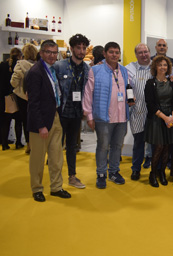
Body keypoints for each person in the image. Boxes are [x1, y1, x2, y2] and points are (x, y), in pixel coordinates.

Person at [25, 40, 71, 202]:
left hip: (55, 117)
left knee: (56, 156)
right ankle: (37, 189)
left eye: (54, 52)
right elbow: (33, 102)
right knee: (37, 158)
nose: (52, 56)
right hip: (41, 123)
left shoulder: (52, 70)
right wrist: (40, 125)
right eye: (48, 52)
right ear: (41, 53)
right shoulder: (36, 72)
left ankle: (56, 187)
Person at [83, 42, 130, 189]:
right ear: (104, 53)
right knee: (103, 146)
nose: (114, 55)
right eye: (111, 52)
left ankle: (114, 172)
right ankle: (101, 174)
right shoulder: (95, 70)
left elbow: (128, 89)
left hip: (121, 116)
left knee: (117, 146)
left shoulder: (123, 70)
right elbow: (88, 94)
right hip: (104, 117)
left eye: (117, 52)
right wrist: (89, 116)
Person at [53, 33, 91, 189]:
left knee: (72, 147)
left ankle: (72, 176)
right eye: (78, 48)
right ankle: (55, 179)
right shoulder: (59, 66)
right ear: (71, 48)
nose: (81, 51)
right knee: (55, 148)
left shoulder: (87, 69)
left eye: (84, 48)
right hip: (60, 113)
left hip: (76, 114)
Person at [144, 55, 173, 187]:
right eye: (160, 65)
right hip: (157, 119)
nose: (163, 67)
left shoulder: (172, 82)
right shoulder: (150, 83)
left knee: (167, 148)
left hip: (170, 117)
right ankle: (153, 173)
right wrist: (165, 118)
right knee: (159, 147)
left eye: (165, 65)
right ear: (155, 67)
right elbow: (150, 104)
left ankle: (162, 172)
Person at [125, 43, 152, 181]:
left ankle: (155, 169)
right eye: (140, 52)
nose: (144, 55)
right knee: (139, 143)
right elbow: (123, 86)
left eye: (145, 52)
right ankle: (136, 169)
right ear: (136, 55)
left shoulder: (156, 66)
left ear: (149, 52)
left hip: (154, 112)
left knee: (155, 142)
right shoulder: (129, 68)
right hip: (138, 111)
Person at [10, 44, 38, 154]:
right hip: (35, 97)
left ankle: (28, 144)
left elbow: (13, 82)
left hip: (22, 97)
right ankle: (35, 143)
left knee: (25, 121)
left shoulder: (20, 65)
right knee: (35, 120)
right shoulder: (38, 65)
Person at [0, 47, 21, 150]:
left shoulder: (2, 64)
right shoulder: (19, 66)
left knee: (5, 121)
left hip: (3, 96)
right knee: (18, 121)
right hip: (16, 96)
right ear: (19, 55)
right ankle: (18, 142)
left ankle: (4, 143)